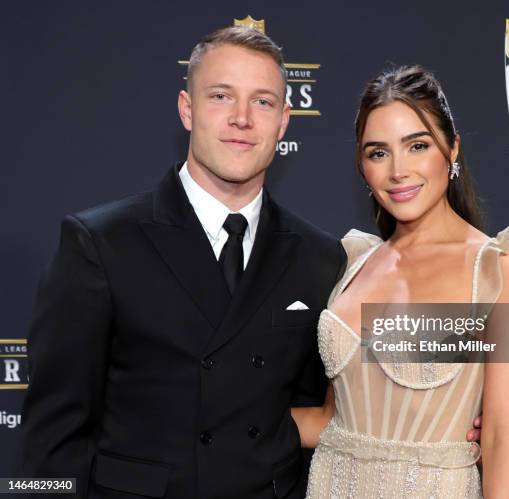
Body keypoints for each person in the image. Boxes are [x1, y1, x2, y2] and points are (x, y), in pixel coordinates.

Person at [18, 26, 347, 499]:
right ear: (186, 109)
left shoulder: (319, 256)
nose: (241, 119)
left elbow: (330, 409)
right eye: (220, 96)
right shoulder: (101, 243)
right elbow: (51, 434)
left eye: (262, 102)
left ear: (284, 121)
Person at [293, 66, 509, 498]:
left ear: (452, 149)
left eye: (417, 145)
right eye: (378, 153)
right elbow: (332, 421)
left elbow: (501, 440)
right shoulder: (353, 263)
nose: (398, 171)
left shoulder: (503, 269)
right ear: (362, 166)